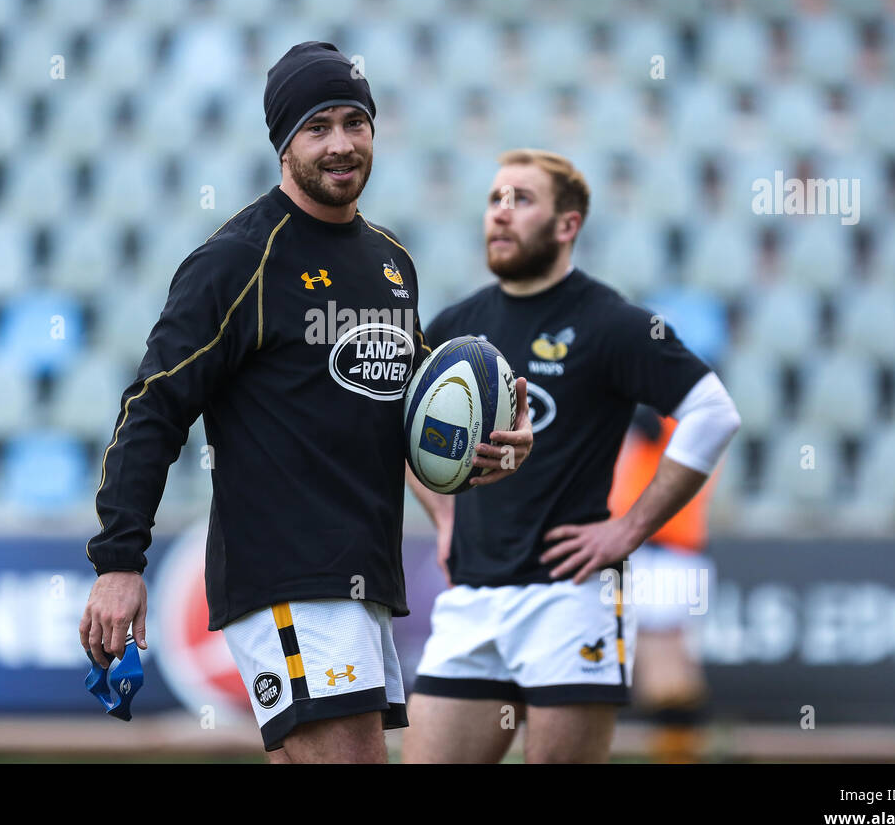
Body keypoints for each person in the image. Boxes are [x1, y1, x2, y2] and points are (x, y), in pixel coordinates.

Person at [79, 42, 533, 763]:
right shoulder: (237, 260)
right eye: (318, 126)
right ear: (283, 142)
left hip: (363, 576)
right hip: (288, 573)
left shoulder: (391, 263)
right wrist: (117, 561)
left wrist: (484, 455)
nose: (342, 143)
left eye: (356, 122)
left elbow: (412, 416)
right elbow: (154, 405)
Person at [403, 148, 740, 763]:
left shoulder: (611, 322)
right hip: (473, 597)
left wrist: (629, 530)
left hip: (572, 596)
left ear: (568, 225)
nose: (500, 216)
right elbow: (406, 433)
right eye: (494, 200)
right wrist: (446, 520)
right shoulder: (456, 324)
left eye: (521, 200)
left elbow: (714, 412)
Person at [613, 406, 718, 763]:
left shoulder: (671, 416)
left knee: (663, 668)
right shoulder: (694, 418)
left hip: (664, 553)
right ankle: (683, 747)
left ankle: (680, 752)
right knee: (667, 662)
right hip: (667, 553)